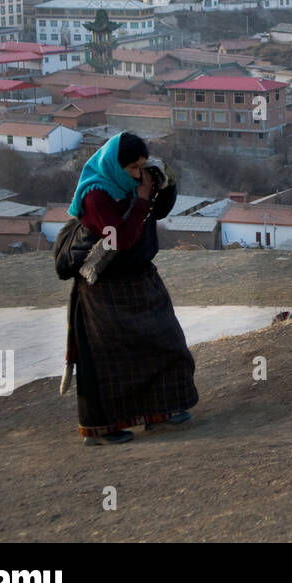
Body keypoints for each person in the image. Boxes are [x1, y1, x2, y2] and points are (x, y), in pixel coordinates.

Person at [57, 132, 197, 445]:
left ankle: (161, 411)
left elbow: (157, 212)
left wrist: (165, 186)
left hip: (139, 278)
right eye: (132, 168)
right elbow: (118, 239)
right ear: (114, 166)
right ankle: (100, 430)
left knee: (165, 341)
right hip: (104, 289)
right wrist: (142, 199)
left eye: (141, 167)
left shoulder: (130, 185)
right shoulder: (96, 196)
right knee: (109, 359)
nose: (137, 174)